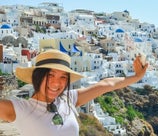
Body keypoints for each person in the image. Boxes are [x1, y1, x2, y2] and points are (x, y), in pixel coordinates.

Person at [0, 49, 148, 136]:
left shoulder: (67, 98)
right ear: (37, 76)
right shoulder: (21, 109)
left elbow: (106, 84)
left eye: (63, 77)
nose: (56, 83)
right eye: (50, 75)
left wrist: (136, 77)